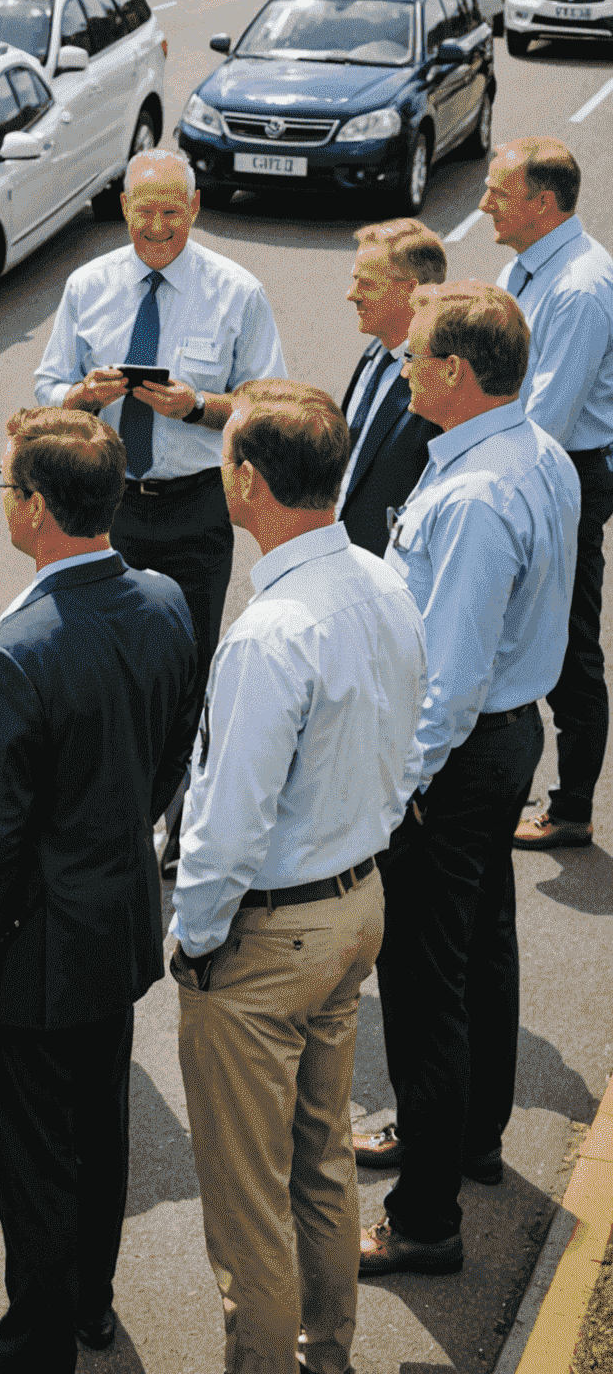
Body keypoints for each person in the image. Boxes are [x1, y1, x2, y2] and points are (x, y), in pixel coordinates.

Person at [0, 409, 195, 1374]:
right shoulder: (167, 602)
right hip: (116, 923)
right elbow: (171, 761)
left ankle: (34, 1340)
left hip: (35, 950)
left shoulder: (17, 653)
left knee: (35, 1157)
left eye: (6, 486)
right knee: (101, 1126)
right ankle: (90, 1303)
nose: (4, 499)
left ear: (36, 507)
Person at [172, 382, 427, 1374]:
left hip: (270, 938)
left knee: (248, 1211)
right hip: (357, 904)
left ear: (248, 480)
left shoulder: (270, 633)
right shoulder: (384, 578)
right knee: (320, 1162)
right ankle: (327, 1358)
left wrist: (194, 941)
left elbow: (226, 827)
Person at [359, 282, 577, 1274]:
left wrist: (390, 791)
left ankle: (425, 1218)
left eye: (415, 356)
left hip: (454, 759)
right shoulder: (536, 454)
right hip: (501, 747)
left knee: (422, 988)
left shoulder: (477, 495)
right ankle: (467, 1137)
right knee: (482, 949)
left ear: (454, 371)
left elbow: (448, 681)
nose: (404, 368)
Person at [32, 148, 284, 870]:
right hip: (107, 503)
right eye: (145, 210)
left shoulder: (237, 291)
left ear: (195, 210)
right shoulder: (89, 285)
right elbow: (49, 383)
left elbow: (267, 405)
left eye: (172, 210)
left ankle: (177, 821)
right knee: (101, 661)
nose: (158, 225)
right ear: (125, 210)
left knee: (184, 669)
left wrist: (199, 406)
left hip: (195, 508)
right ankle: (112, 811)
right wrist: (82, 398)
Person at [479, 139, 613, 851]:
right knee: (513, 626)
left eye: (498, 193)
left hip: (564, 474)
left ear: (543, 203)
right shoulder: (523, 267)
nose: (484, 205)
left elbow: (549, 419)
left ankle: (571, 809)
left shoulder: (580, 288)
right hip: (521, 464)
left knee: (566, 639)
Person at [336, 218, 445, 555]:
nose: (351, 295)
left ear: (410, 290)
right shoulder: (377, 349)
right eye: (355, 281)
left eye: (366, 284)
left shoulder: (440, 381)